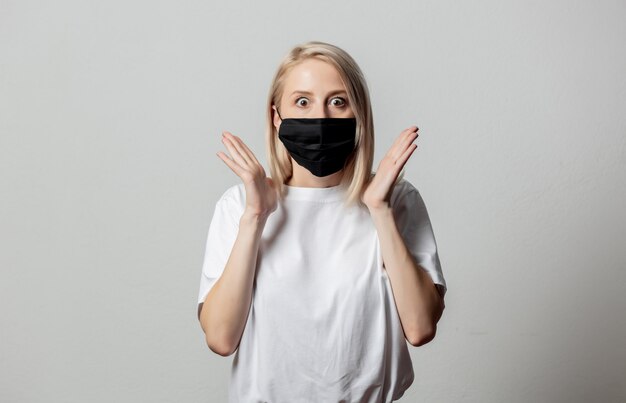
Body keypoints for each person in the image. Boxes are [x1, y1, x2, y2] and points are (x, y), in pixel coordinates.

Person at [197, 40, 447, 402]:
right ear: (276, 117)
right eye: (302, 102)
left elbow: (421, 327)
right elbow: (220, 339)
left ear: (358, 115)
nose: (321, 118)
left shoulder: (397, 201)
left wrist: (379, 209)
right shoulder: (238, 206)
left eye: (338, 101)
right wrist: (255, 217)